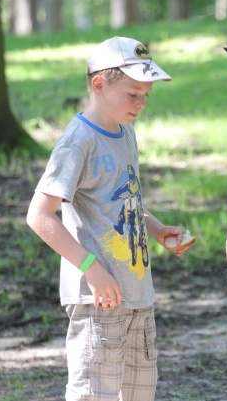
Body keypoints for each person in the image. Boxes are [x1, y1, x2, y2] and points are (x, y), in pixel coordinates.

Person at [26, 36, 190, 401]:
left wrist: (158, 230)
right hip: (97, 298)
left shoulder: (125, 131)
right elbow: (39, 216)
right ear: (99, 85)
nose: (142, 103)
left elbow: (123, 203)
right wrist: (92, 269)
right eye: (133, 94)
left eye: (146, 95)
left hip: (137, 295)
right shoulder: (78, 142)